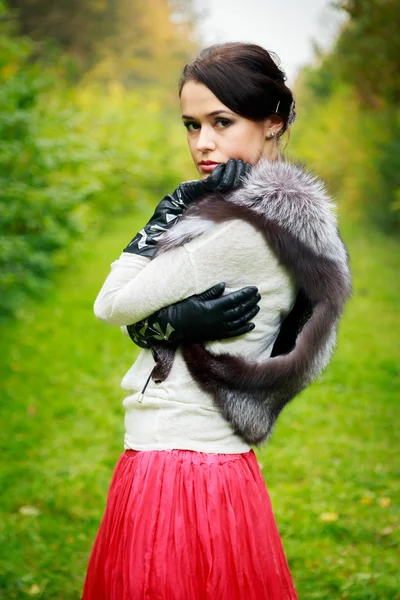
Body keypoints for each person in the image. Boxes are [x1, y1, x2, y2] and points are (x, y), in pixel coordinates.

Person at [82, 42, 351, 600]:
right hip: (219, 464)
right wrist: (160, 324)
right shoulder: (287, 219)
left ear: (272, 122)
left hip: (178, 466)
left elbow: (111, 302)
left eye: (222, 122)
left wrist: (169, 211)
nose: (203, 143)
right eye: (191, 125)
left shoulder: (239, 227)